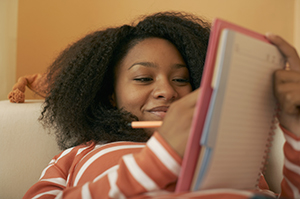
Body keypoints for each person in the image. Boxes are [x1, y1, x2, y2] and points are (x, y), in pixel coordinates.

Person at [23, 12, 300, 199]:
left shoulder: (227, 154)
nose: (167, 91)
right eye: (143, 78)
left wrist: (295, 131)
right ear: (110, 95)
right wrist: (158, 161)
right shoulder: (78, 154)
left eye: (181, 79)